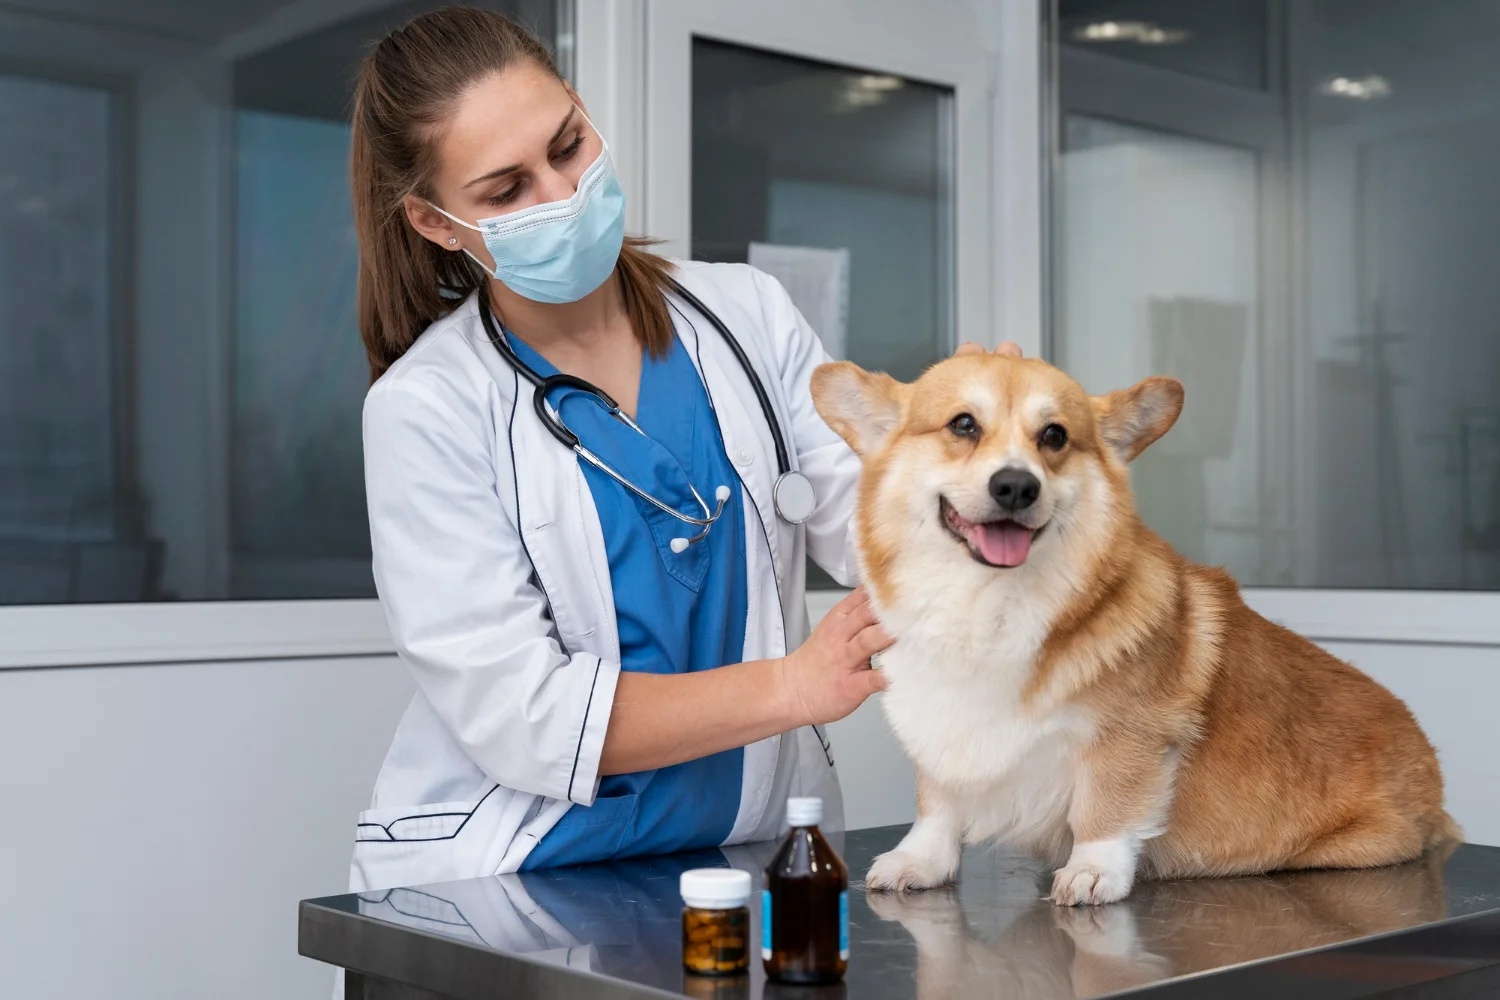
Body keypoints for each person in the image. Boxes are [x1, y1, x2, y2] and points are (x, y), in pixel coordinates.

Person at [347, 5, 1022, 893]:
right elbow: (524, 714)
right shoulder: (428, 408)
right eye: (505, 192)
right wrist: (791, 687)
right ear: (436, 223)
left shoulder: (747, 315)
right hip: (520, 876)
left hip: (739, 856)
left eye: (568, 146)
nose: (561, 195)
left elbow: (874, 535)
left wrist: (962, 471)